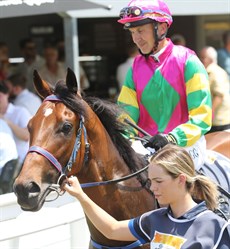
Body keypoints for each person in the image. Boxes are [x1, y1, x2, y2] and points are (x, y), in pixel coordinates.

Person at [63, 144, 230, 248]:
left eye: (158, 181)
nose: (152, 187)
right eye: (150, 181)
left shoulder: (215, 227)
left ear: (181, 179)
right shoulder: (154, 219)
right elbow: (111, 229)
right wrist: (81, 196)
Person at [116, 0, 212, 168]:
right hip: (147, 146)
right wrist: (123, 137)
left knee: (166, 175)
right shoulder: (135, 68)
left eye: (140, 30)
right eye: (132, 32)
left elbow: (201, 117)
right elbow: (126, 115)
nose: (136, 38)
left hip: (185, 144)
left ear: (161, 28)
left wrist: (172, 138)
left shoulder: (189, 62)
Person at [199, 46, 230, 133]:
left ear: (211, 59)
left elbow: (219, 96)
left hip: (220, 121)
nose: (200, 60)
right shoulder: (208, 71)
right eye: (200, 57)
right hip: (217, 120)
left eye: (203, 58)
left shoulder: (215, 72)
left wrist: (209, 115)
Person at [0, 80, 31, 165]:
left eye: (0, 96)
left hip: (21, 162)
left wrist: (7, 122)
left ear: (7, 95)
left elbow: (27, 135)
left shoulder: (20, 111)